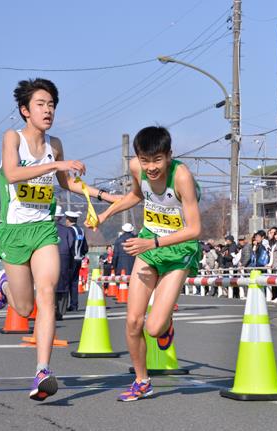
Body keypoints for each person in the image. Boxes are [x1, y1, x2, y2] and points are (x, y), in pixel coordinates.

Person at [0, 78, 118, 401]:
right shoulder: (12, 138)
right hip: (14, 231)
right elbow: (13, 173)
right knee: (24, 305)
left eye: (51, 105)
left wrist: (103, 195)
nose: (48, 111)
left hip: (45, 228)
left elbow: (67, 183)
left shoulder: (55, 144)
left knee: (46, 293)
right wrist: (58, 163)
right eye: (41, 105)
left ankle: (43, 370)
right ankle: (4, 286)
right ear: (25, 110)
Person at [90, 126, 201, 401]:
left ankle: (166, 323)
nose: (151, 168)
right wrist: (105, 215)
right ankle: (142, 380)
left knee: (154, 327)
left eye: (157, 160)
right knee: (132, 321)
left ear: (169, 156)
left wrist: (151, 244)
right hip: (149, 243)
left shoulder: (182, 176)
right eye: (145, 160)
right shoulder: (136, 168)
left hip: (178, 249)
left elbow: (195, 229)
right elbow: (136, 196)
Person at [64, 210, 88, 311]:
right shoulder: (81, 231)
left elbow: (67, 245)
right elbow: (85, 247)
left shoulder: (69, 230)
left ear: (68, 220)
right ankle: (74, 305)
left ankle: (63, 305)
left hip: (70, 259)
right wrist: (81, 255)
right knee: (74, 282)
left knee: (65, 282)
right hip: (78, 259)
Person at [54, 205, 74, 320]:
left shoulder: (44, 228)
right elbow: (71, 245)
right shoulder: (67, 230)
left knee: (49, 284)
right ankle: (60, 311)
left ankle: (51, 308)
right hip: (64, 258)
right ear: (60, 218)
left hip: (48, 257)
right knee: (63, 284)